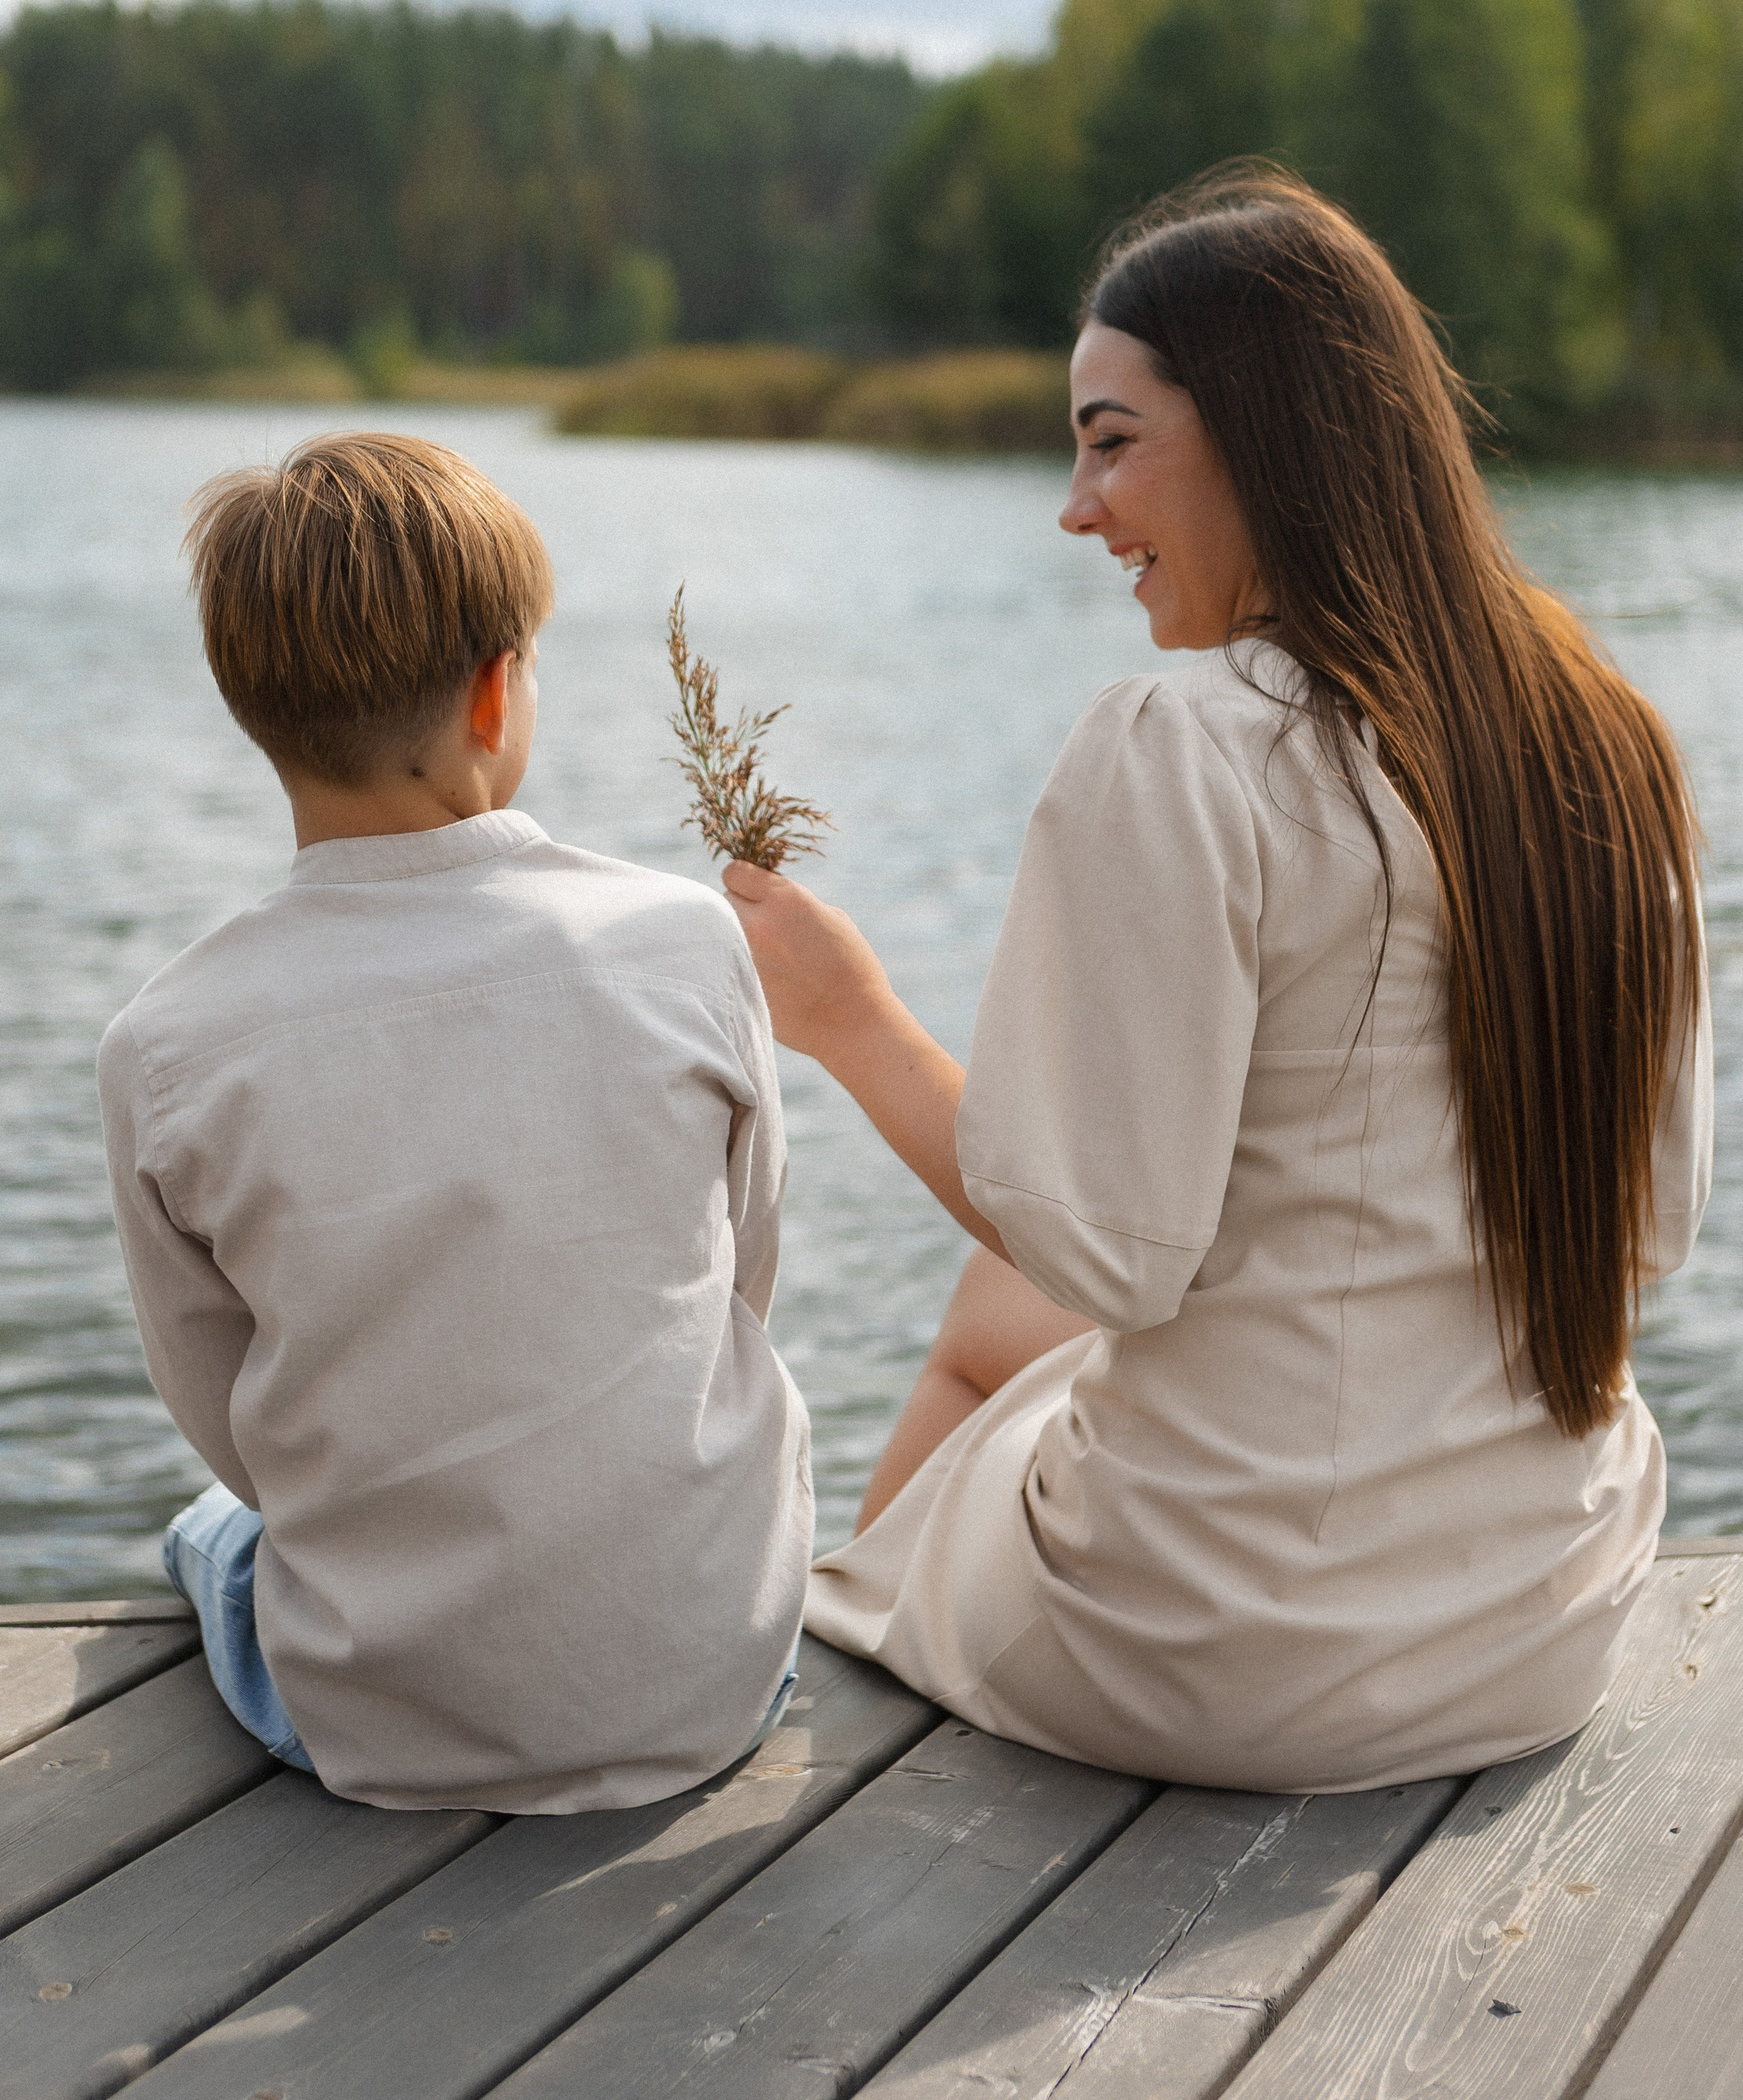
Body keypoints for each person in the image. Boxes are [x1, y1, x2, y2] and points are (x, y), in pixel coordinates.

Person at [725, 167, 1712, 1794]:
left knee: (983, 1350)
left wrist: (842, 1016)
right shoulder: (1605, 743)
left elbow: (1097, 1244)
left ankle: (837, 1726)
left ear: (1263, 431)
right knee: (1008, 1316)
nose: (1075, 505)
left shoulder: (1184, 751)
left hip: (1240, 1654)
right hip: (1539, 1619)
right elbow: (1648, 1228)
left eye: (1111, 441)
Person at [99, 432, 810, 1813]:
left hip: (385, 1733)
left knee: (211, 1530)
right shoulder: (681, 942)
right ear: (499, 693)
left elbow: (222, 1414)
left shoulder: (166, 1044)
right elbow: (747, 1282)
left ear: (250, 712)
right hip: (713, 1685)